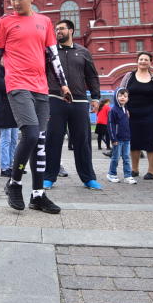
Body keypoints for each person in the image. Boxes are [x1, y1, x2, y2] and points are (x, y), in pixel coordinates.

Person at [0, 0, 71, 213]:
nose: (15, 3)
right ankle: (14, 182)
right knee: (31, 133)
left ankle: (38, 195)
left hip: (41, 87)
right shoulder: (4, 22)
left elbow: (53, 56)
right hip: (17, 85)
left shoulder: (44, 22)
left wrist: (63, 85)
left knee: (40, 143)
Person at [44, 20, 102, 190]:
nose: (58, 31)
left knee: (82, 141)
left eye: (61, 28)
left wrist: (96, 98)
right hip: (55, 99)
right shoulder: (50, 53)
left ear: (71, 30)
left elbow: (92, 77)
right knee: (53, 140)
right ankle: (49, 177)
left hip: (79, 101)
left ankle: (88, 178)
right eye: (56, 29)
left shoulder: (83, 52)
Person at [118, 52, 153, 181]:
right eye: (141, 59)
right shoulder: (129, 76)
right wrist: (121, 110)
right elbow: (121, 93)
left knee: (151, 142)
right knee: (134, 141)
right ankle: (134, 169)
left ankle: (152, 171)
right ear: (137, 61)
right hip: (131, 114)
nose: (143, 61)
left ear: (151, 62)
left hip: (151, 114)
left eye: (146, 59)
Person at [106, 88, 133, 184]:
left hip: (126, 139)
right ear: (116, 97)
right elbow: (110, 125)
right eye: (120, 95)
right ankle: (111, 174)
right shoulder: (113, 110)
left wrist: (129, 136)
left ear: (127, 98)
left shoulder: (125, 110)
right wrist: (113, 138)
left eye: (125, 96)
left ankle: (128, 176)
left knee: (126, 157)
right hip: (117, 139)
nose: (122, 98)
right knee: (115, 157)